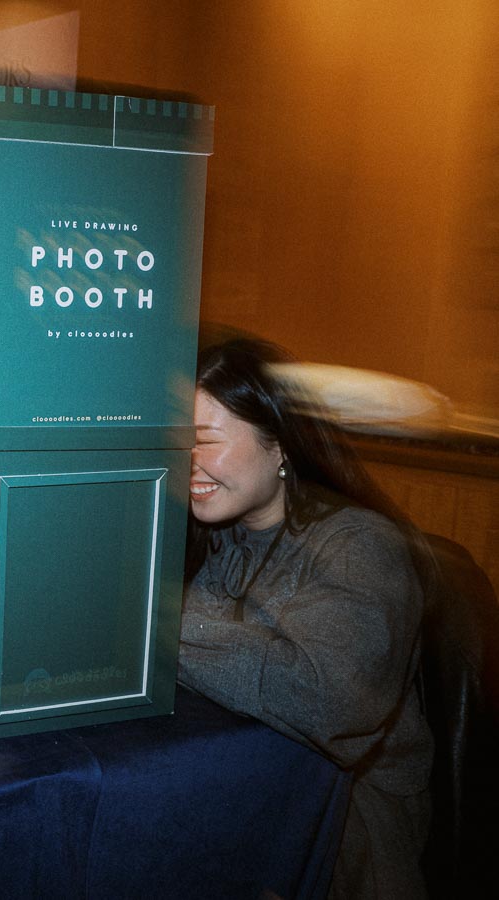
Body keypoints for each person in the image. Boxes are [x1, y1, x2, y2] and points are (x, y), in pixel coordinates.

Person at [179, 338, 433, 899]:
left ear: (279, 445)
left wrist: (150, 622)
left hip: (351, 825)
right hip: (255, 784)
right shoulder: (219, 533)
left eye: (205, 441)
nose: (187, 460)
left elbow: (328, 701)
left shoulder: (361, 547)